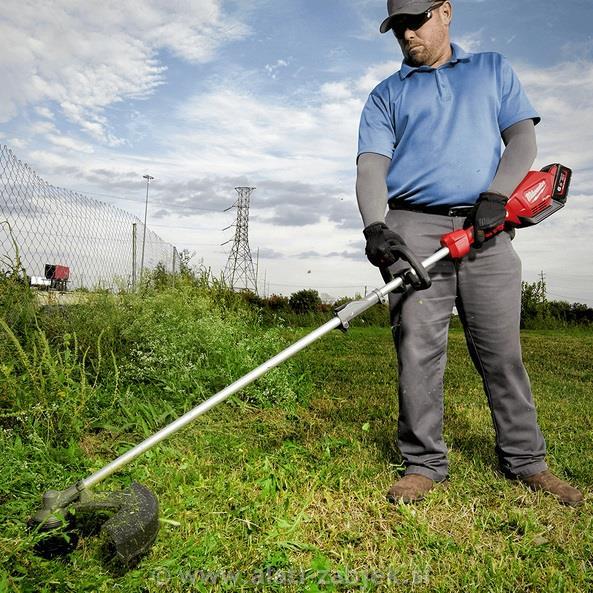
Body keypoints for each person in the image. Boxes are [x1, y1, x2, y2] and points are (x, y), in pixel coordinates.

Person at [356, 0, 583, 506]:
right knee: (417, 345)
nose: (407, 35)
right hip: (413, 225)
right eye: (398, 28)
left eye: (415, 21)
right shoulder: (385, 94)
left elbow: (522, 138)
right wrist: (376, 225)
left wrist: (498, 195)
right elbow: (371, 166)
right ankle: (423, 462)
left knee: (502, 351)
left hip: (488, 223)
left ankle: (526, 460)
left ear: (445, 12)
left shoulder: (491, 69)